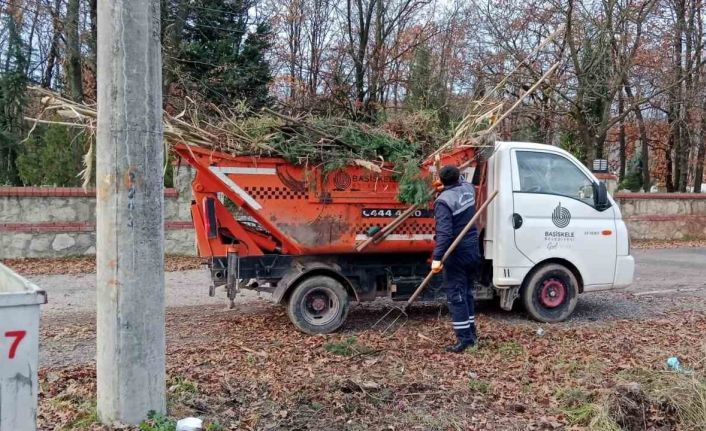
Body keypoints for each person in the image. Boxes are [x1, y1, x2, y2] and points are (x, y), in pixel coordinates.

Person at [431, 165, 480, 353]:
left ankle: (465, 340)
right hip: (472, 249)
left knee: (456, 295)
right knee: (466, 292)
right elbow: (461, 184)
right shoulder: (468, 189)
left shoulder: (443, 202)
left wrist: (437, 257)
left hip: (457, 252)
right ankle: (472, 333)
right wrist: (446, 186)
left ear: (442, 181)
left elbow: (444, 233)